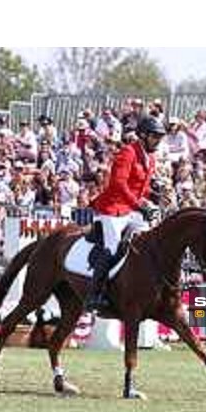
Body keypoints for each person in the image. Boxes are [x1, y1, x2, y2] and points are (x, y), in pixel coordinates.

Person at [85, 116, 166, 312]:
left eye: (159, 137)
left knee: (150, 241)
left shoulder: (151, 158)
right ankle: (95, 295)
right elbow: (118, 184)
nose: (158, 140)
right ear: (143, 135)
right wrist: (139, 204)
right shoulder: (127, 153)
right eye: (155, 136)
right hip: (112, 209)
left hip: (131, 209)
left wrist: (154, 194)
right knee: (112, 247)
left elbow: (139, 188)